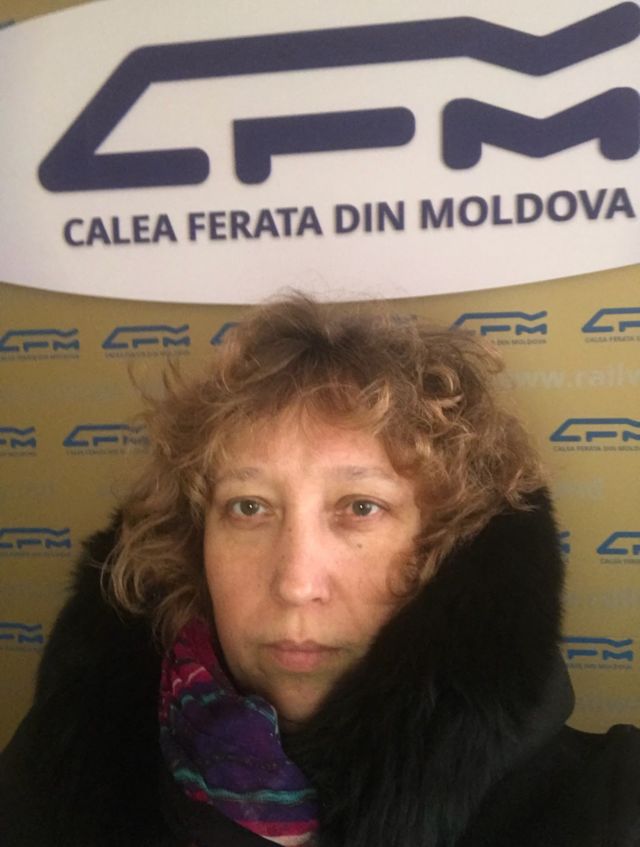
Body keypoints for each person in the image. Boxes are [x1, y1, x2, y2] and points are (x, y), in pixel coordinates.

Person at [1, 294, 638, 847]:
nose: (296, 583)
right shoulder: (53, 783)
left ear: (447, 549)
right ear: (194, 548)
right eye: (249, 507)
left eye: (361, 507)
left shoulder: (608, 806)